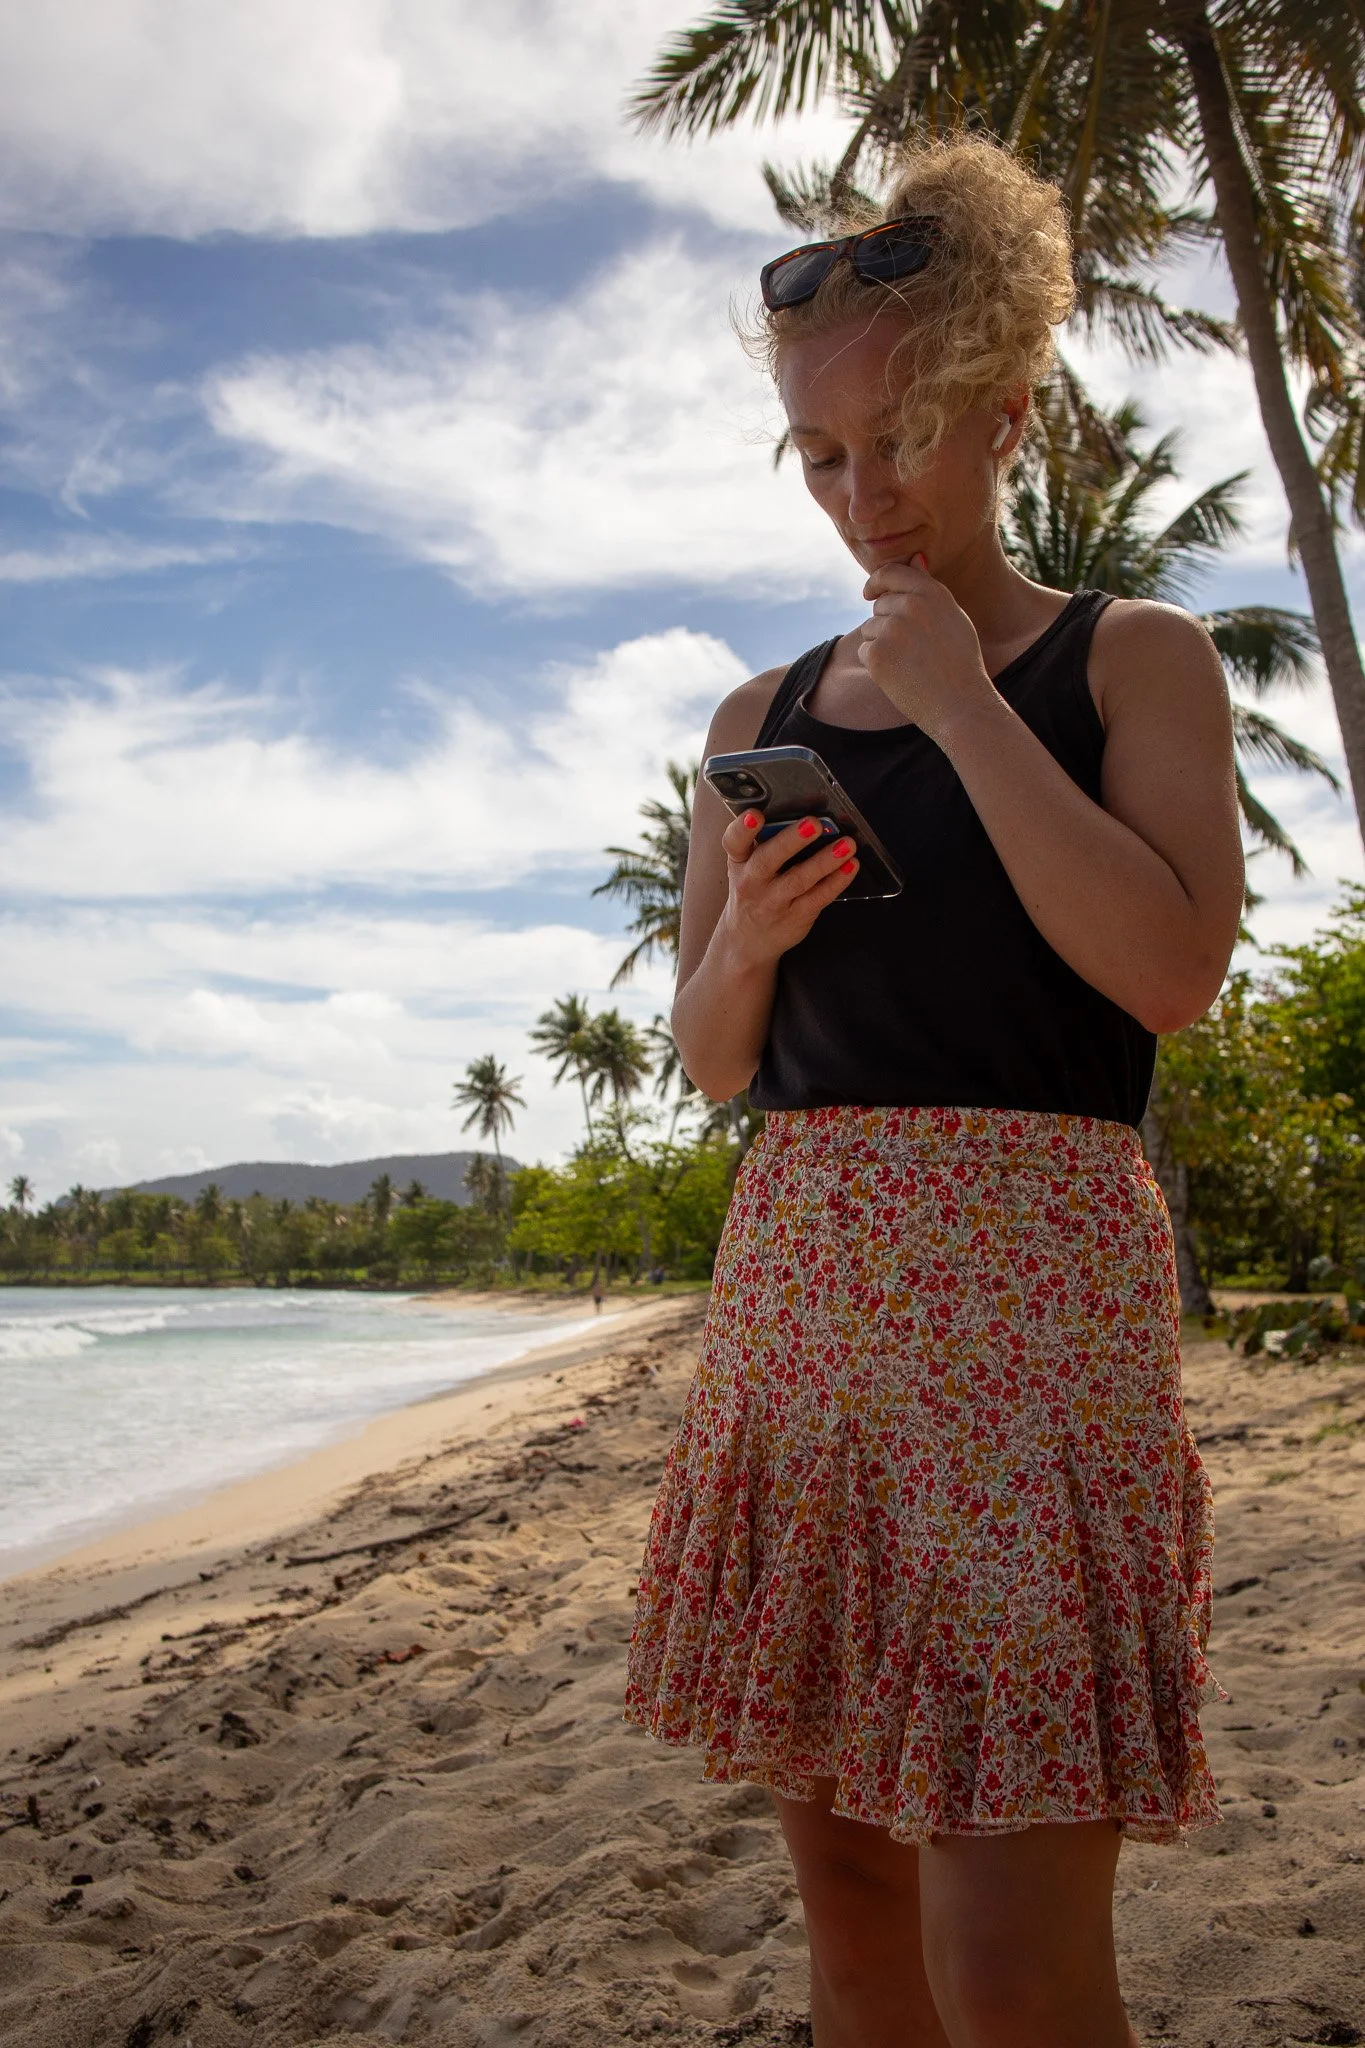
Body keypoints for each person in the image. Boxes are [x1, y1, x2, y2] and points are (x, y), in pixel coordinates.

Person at [624, 135, 1243, 2048]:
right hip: (805, 1323)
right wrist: (749, 946)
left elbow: (1169, 973)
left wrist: (969, 706)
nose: (861, 493)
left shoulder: (1128, 659)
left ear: (1010, 414)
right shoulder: (761, 722)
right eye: (822, 455)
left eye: (904, 438)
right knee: (858, 1921)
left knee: (1014, 1956)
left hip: (1029, 1338)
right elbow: (715, 1061)